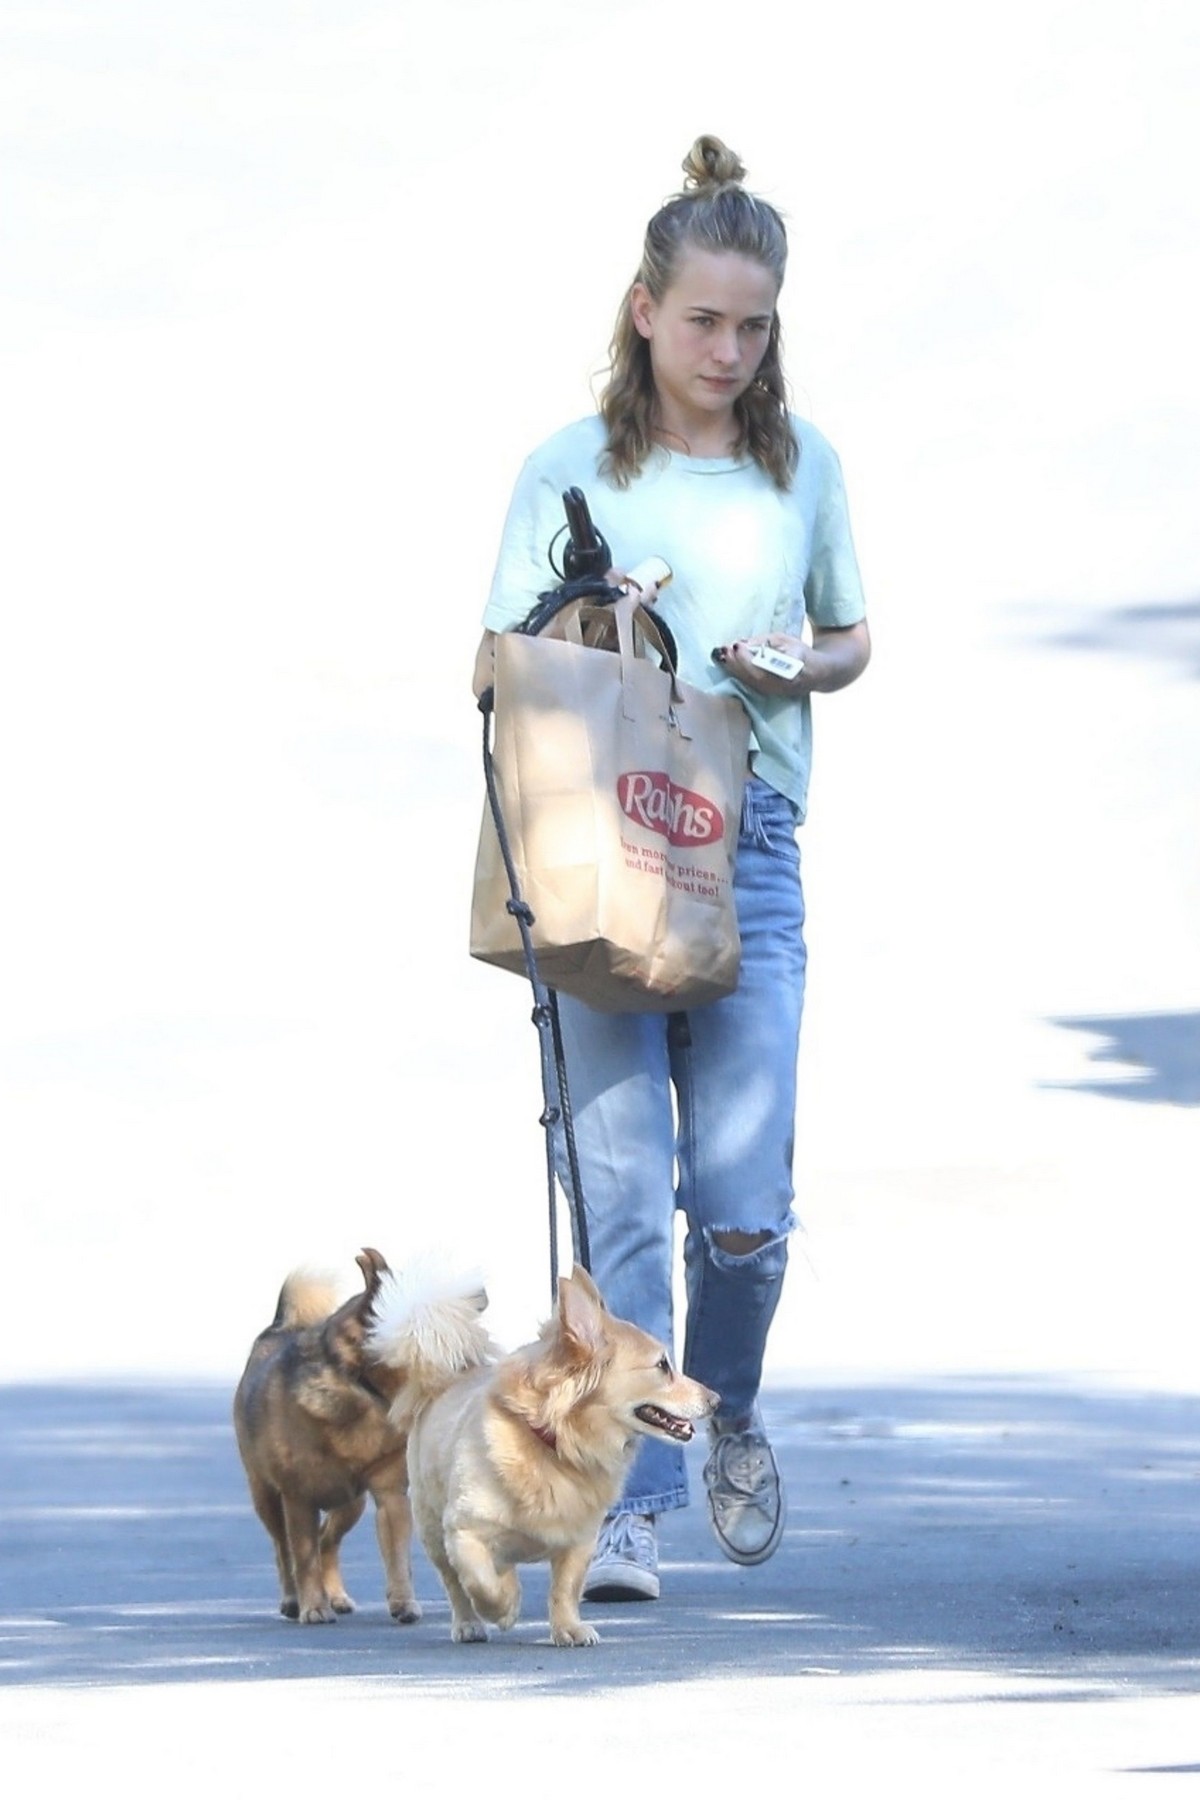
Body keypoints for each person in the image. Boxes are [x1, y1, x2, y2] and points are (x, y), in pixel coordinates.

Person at [472, 135, 870, 1602]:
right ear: (645, 309)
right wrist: (594, 604)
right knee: (625, 1194)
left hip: (747, 838)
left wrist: (799, 658)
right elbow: (499, 663)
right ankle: (625, 1509)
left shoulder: (800, 462)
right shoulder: (565, 469)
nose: (731, 348)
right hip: (599, 851)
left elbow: (853, 635)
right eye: (705, 319)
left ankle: (733, 1410)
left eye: (754, 323)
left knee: (745, 1207)